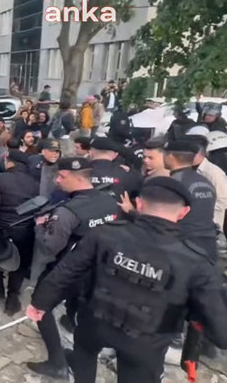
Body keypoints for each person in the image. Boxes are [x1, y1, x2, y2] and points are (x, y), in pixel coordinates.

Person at [27, 177, 227, 383]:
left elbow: (68, 270)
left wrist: (40, 303)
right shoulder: (195, 260)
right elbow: (220, 333)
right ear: (184, 212)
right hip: (146, 342)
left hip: (95, 323)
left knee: (83, 362)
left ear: (139, 203)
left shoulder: (105, 234)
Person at [27, 157, 120, 380]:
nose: (57, 180)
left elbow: (50, 246)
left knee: (41, 308)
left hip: (67, 271)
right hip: (99, 271)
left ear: (78, 178)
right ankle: (81, 357)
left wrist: (40, 228)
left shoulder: (67, 212)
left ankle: (56, 362)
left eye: (62, 176)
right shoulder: (109, 201)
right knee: (79, 314)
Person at [0, 150, 40, 315]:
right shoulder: (34, 183)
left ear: (9, 162)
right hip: (25, 229)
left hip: (2, 226)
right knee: (21, 264)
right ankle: (12, 299)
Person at [164, 139, 219, 262]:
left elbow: (165, 218)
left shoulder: (174, 183)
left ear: (171, 156)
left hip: (184, 246)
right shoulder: (206, 182)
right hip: (208, 246)